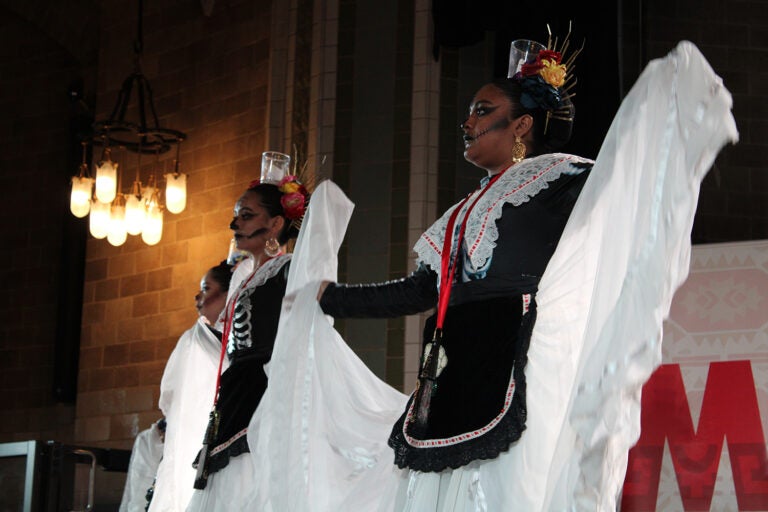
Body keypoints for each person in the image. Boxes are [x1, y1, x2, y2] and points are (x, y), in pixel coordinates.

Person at [241, 37, 736, 511]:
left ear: (521, 126)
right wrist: (330, 297)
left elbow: (624, 189)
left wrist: (661, 122)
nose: (467, 121)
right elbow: (421, 289)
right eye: (470, 111)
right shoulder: (462, 211)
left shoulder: (563, 177)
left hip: (520, 360)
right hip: (453, 369)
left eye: (483, 111)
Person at [185, 173, 310, 511]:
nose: (234, 223)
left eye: (246, 215)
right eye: (237, 214)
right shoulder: (245, 276)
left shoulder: (289, 269)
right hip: (237, 388)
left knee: (251, 478)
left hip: (265, 388)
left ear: (275, 225)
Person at [145, 261, 233, 512]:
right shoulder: (194, 339)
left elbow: (168, 395)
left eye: (206, 288)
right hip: (194, 435)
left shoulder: (204, 340)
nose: (198, 296)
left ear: (227, 294)